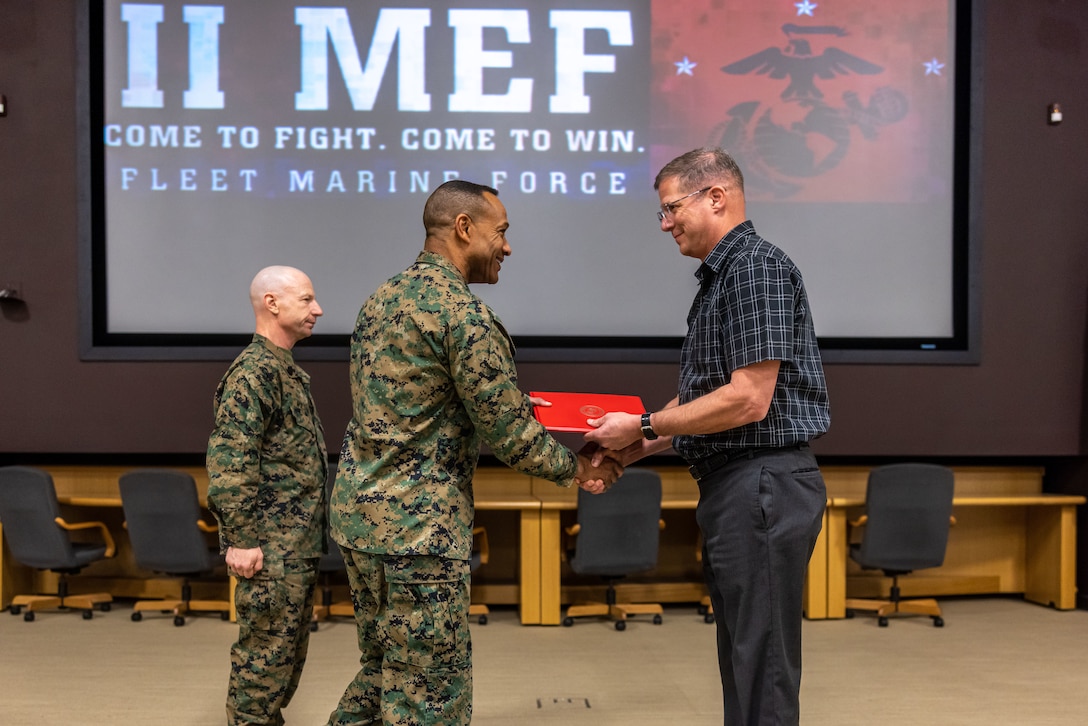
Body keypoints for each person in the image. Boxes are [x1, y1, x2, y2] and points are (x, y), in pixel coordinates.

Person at [326, 179, 621, 726]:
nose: (506, 247)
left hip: (361, 522)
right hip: (420, 532)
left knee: (382, 667)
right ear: (464, 228)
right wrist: (578, 467)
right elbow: (507, 431)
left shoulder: (381, 300)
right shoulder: (464, 316)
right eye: (501, 232)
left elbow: (415, 400)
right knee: (431, 694)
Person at [585, 147, 830, 726]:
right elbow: (708, 395)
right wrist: (635, 446)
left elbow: (747, 398)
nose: (666, 223)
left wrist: (643, 425)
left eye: (672, 208)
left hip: (762, 483)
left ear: (716, 197)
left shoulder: (755, 269)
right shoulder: (726, 277)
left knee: (762, 665)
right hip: (742, 487)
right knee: (745, 659)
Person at [207, 265, 328, 726]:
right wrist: (240, 538)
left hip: (292, 545)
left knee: (283, 660)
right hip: (270, 548)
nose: (317, 309)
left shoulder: (281, 368)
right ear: (272, 304)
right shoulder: (254, 372)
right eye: (306, 300)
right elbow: (231, 460)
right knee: (264, 661)